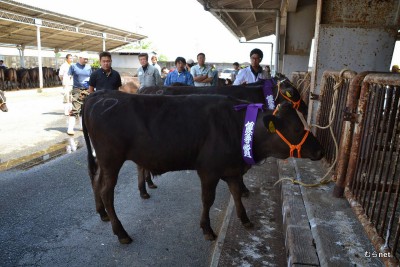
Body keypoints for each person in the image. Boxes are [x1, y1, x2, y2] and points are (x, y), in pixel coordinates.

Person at [67, 51, 92, 135]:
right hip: (77, 90)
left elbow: (91, 79)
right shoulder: (73, 66)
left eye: (87, 59)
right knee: (75, 109)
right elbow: (68, 77)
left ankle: (82, 127)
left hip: (86, 90)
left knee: (84, 109)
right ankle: (70, 128)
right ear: (80, 58)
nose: (86, 60)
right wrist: (67, 90)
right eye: (85, 59)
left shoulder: (88, 67)